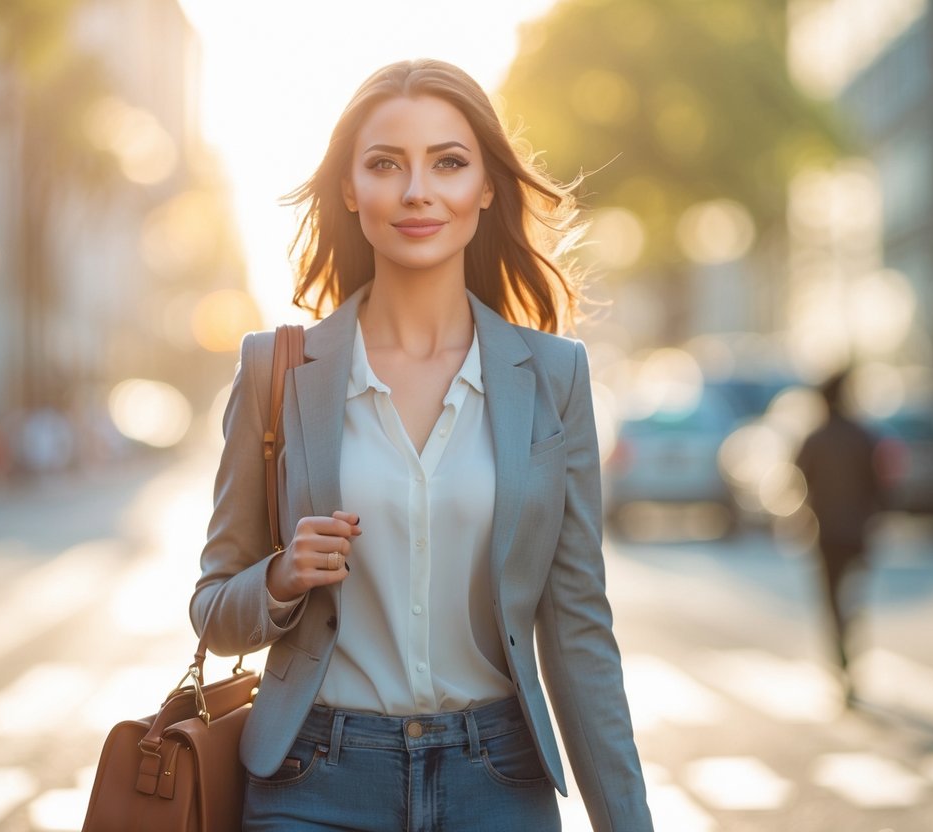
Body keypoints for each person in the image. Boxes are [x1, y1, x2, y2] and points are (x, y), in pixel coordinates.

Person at [191, 59, 653, 831]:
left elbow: (576, 629)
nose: (416, 191)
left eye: (447, 162)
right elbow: (213, 610)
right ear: (349, 188)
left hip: (496, 780)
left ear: (484, 187)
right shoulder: (276, 369)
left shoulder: (553, 377)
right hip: (314, 782)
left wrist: (625, 822)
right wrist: (280, 577)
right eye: (384, 164)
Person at [794, 369, 881, 707]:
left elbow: (799, 482)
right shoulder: (862, 436)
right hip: (856, 532)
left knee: (833, 601)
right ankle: (848, 652)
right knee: (852, 598)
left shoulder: (815, 439)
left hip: (827, 533)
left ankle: (842, 655)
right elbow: (880, 486)